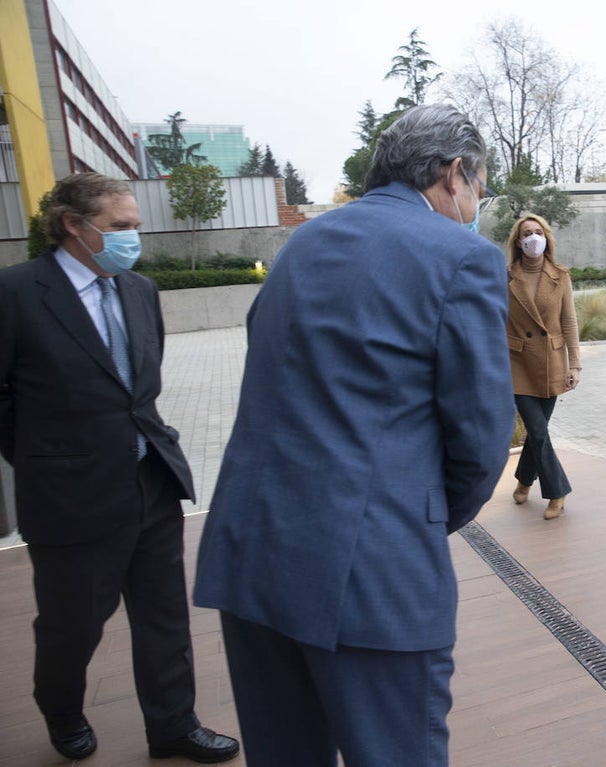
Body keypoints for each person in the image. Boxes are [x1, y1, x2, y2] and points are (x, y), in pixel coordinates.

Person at [192, 104, 515, 767]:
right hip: (370, 577)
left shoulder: (305, 241)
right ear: (454, 173)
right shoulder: (463, 257)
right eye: (480, 185)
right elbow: (482, 441)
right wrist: (413, 516)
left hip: (253, 553)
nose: (478, 202)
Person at [0, 173, 239, 762]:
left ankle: (173, 726)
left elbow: (139, 389)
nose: (133, 237)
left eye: (135, 226)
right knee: (72, 626)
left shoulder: (139, 290)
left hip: (149, 483)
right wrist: (46, 460)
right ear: (72, 227)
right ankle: (61, 710)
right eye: (119, 228)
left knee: (165, 621)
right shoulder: (17, 293)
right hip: (70, 499)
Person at [505, 213, 582, 520]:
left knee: (539, 433)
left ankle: (524, 481)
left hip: (552, 362)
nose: (533, 238)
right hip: (518, 362)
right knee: (537, 430)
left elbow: (569, 320)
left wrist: (575, 364)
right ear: (518, 241)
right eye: (527, 233)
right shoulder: (506, 276)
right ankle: (557, 490)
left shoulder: (560, 275)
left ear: (547, 237)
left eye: (538, 232)